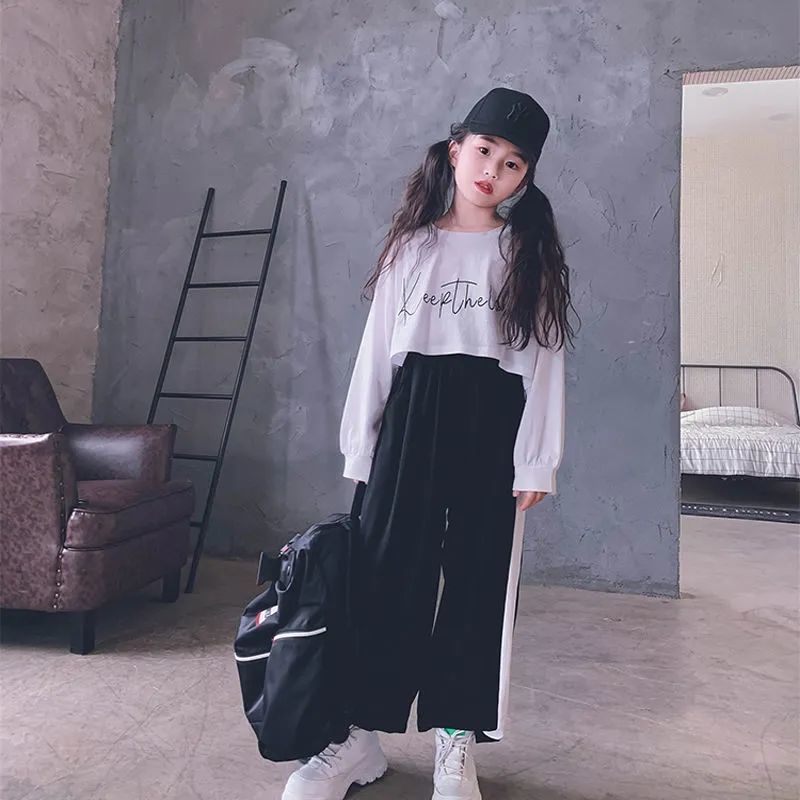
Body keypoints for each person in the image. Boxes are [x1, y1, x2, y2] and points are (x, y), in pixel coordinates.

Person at [282, 87, 578, 800]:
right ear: (455, 151)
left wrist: (537, 458)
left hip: (493, 419)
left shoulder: (526, 251)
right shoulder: (411, 247)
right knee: (383, 574)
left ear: (525, 177)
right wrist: (362, 445)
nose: (493, 171)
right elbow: (377, 351)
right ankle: (358, 736)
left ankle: (456, 737)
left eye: (513, 164)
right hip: (411, 416)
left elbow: (545, 360)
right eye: (484, 152)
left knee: (479, 580)